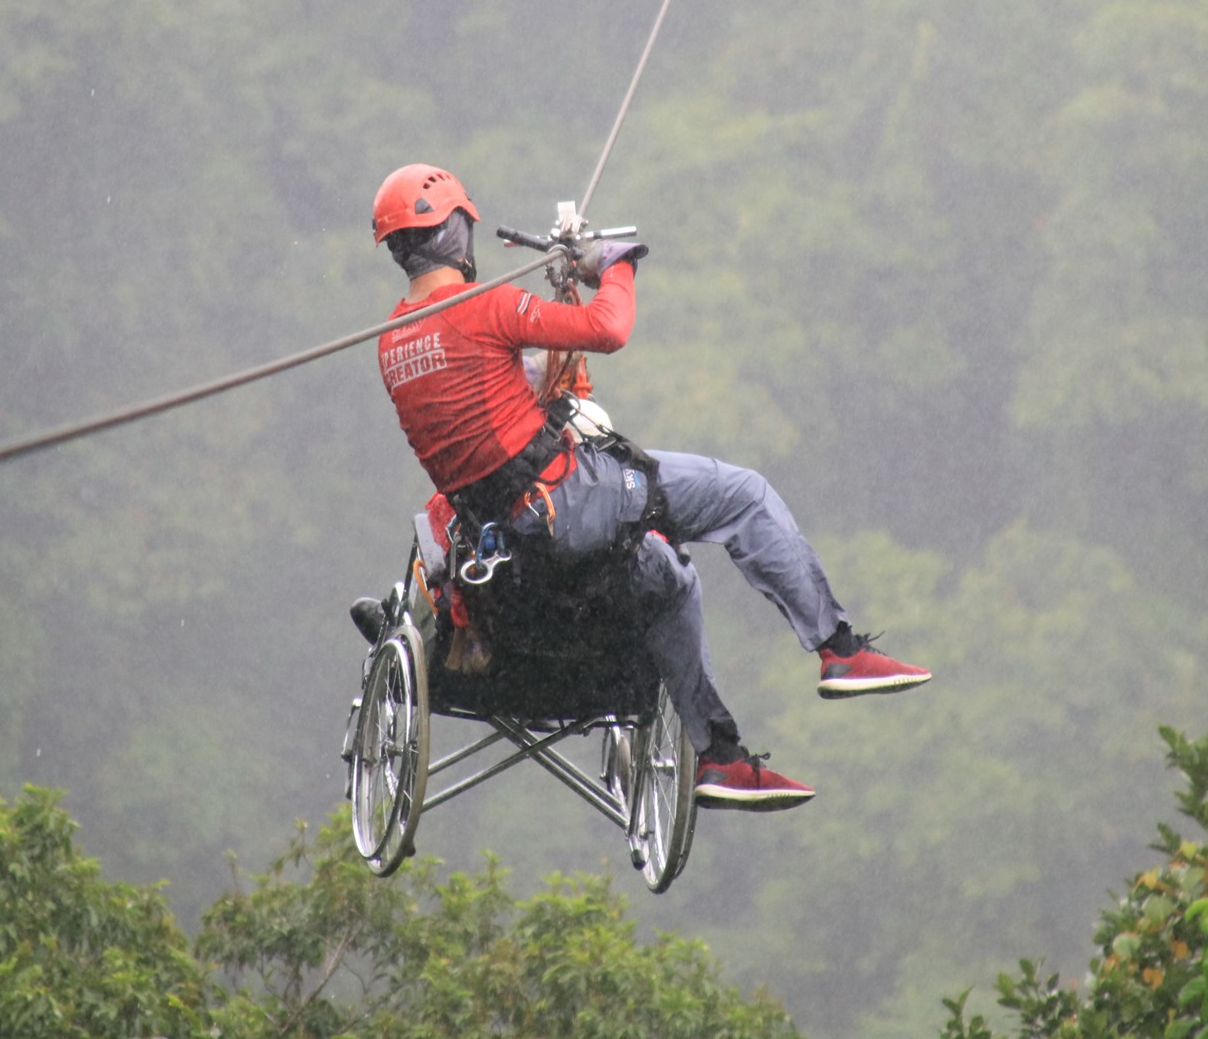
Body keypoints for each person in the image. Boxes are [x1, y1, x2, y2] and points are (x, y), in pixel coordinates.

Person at [369, 163, 930, 810]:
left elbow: (490, 381)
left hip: (503, 543)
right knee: (742, 495)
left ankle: (719, 755)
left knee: (668, 577)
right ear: (456, 231)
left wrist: (556, 301)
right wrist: (615, 263)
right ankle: (840, 649)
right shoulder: (484, 307)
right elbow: (609, 329)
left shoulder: (394, 341)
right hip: (569, 502)